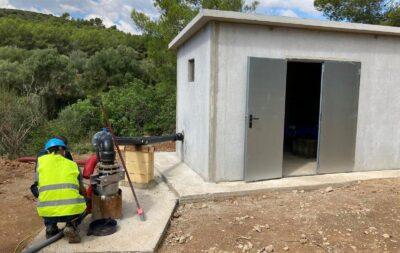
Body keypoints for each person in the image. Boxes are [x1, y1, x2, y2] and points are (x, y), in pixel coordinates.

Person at [32, 138, 87, 243]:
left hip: (47, 212)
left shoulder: (40, 163)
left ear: (47, 151)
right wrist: (87, 198)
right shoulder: (72, 164)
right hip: (70, 212)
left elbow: (37, 184)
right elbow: (81, 189)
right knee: (83, 202)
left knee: (46, 196)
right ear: (62, 149)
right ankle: (71, 226)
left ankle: (50, 227)